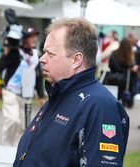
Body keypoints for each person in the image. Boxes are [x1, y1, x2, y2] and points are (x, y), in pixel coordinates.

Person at [13, 18, 129, 167]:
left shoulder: (100, 106)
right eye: (43, 52)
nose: (42, 59)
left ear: (76, 60)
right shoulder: (60, 94)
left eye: (50, 53)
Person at [108, 38, 138, 108]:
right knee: (127, 94)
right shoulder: (130, 54)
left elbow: (110, 65)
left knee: (116, 95)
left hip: (115, 78)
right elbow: (132, 66)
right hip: (127, 79)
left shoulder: (114, 53)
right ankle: (127, 102)